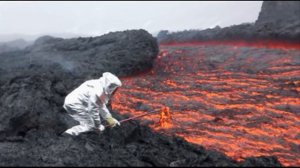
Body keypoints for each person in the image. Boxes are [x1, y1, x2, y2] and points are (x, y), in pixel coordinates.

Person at [62, 72, 122, 136]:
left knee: (88, 122)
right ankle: (68, 134)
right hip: (76, 105)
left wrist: (109, 119)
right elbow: (93, 110)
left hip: (75, 102)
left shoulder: (95, 83)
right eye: (113, 87)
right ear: (108, 84)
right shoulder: (97, 91)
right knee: (90, 126)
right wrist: (97, 126)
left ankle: (82, 135)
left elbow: (101, 105)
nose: (113, 90)